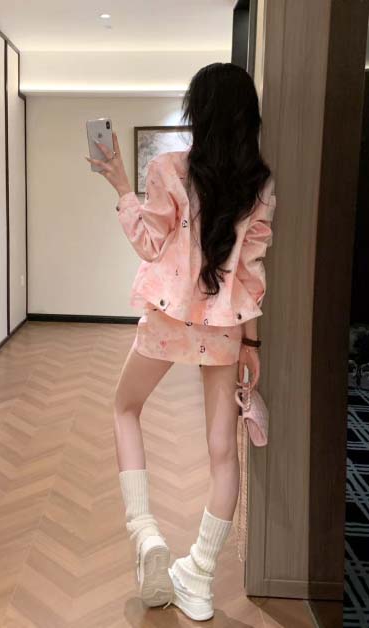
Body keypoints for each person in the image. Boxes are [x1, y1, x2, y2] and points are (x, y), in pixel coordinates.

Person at [85, 62, 276, 622]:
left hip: (168, 319)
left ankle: (145, 533)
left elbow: (149, 246)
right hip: (224, 327)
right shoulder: (260, 185)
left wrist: (121, 184)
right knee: (222, 453)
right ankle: (199, 577)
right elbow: (252, 273)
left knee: (125, 408)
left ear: (198, 112)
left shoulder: (168, 169)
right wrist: (253, 347)